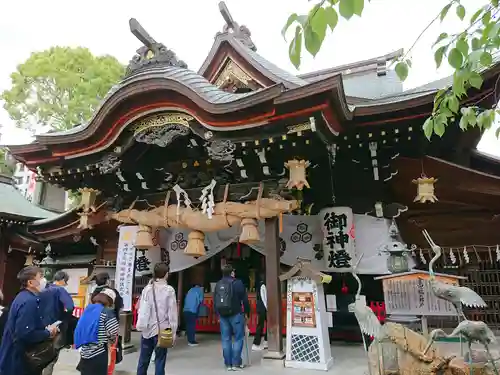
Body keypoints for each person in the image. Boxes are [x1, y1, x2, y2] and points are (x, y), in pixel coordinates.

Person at [0, 266, 59, 375]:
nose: (44, 280)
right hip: (19, 360)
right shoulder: (29, 301)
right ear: (31, 282)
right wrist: (48, 332)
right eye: (40, 277)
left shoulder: (22, 297)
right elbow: (25, 333)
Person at [136, 262, 178, 375]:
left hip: (147, 329)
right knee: (160, 360)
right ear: (166, 274)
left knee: (143, 359)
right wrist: (173, 331)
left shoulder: (147, 289)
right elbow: (172, 313)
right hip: (163, 329)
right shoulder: (169, 290)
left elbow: (140, 307)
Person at [74, 289, 119, 375]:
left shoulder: (87, 310)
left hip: (85, 352)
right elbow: (113, 330)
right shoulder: (107, 312)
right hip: (99, 353)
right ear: (110, 300)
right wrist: (111, 339)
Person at [214, 265, 250, 371]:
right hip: (236, 314)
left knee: (226, 339)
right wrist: (247, 313)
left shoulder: (218, 284)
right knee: (238, 338)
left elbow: (215, 301)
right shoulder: (237, 283)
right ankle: (236, 363)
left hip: (223, 316)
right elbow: (245, 299)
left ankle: (228, 364)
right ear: (232, 273)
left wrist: (218, 314)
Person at [40, 271, 75, 375]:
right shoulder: (60, 290)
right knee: (51, 357)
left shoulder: (42, 290)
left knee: (38, 356)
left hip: (40, 327)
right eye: (66, 281)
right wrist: (63, 317)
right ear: (63, 280)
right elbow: (69, 307)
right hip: (56, 327)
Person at [252, 273, 268, 351]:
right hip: (263, 308)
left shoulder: (260, 284)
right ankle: (256, 343)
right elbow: (264, 298)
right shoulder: (263, 285)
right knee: (261, 325)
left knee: (265, 325)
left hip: (261, 307)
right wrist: (267, 308)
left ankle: (266, 341)